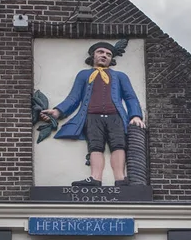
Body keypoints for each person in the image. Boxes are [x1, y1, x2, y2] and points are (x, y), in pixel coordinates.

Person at [40, 41, 145, 186]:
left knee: (118, 145)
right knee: (95, 146)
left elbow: (130, 97)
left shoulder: (120, 76)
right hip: (92, 116)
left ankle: (120, 178)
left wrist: (135, 115)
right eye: (100, 52)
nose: (104, 55)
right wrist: (58, 111)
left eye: (108, 54)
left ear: (111, 59)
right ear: (93, 55)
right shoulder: (84, 75)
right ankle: (95, 178)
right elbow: (74, 97)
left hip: (116, 117)